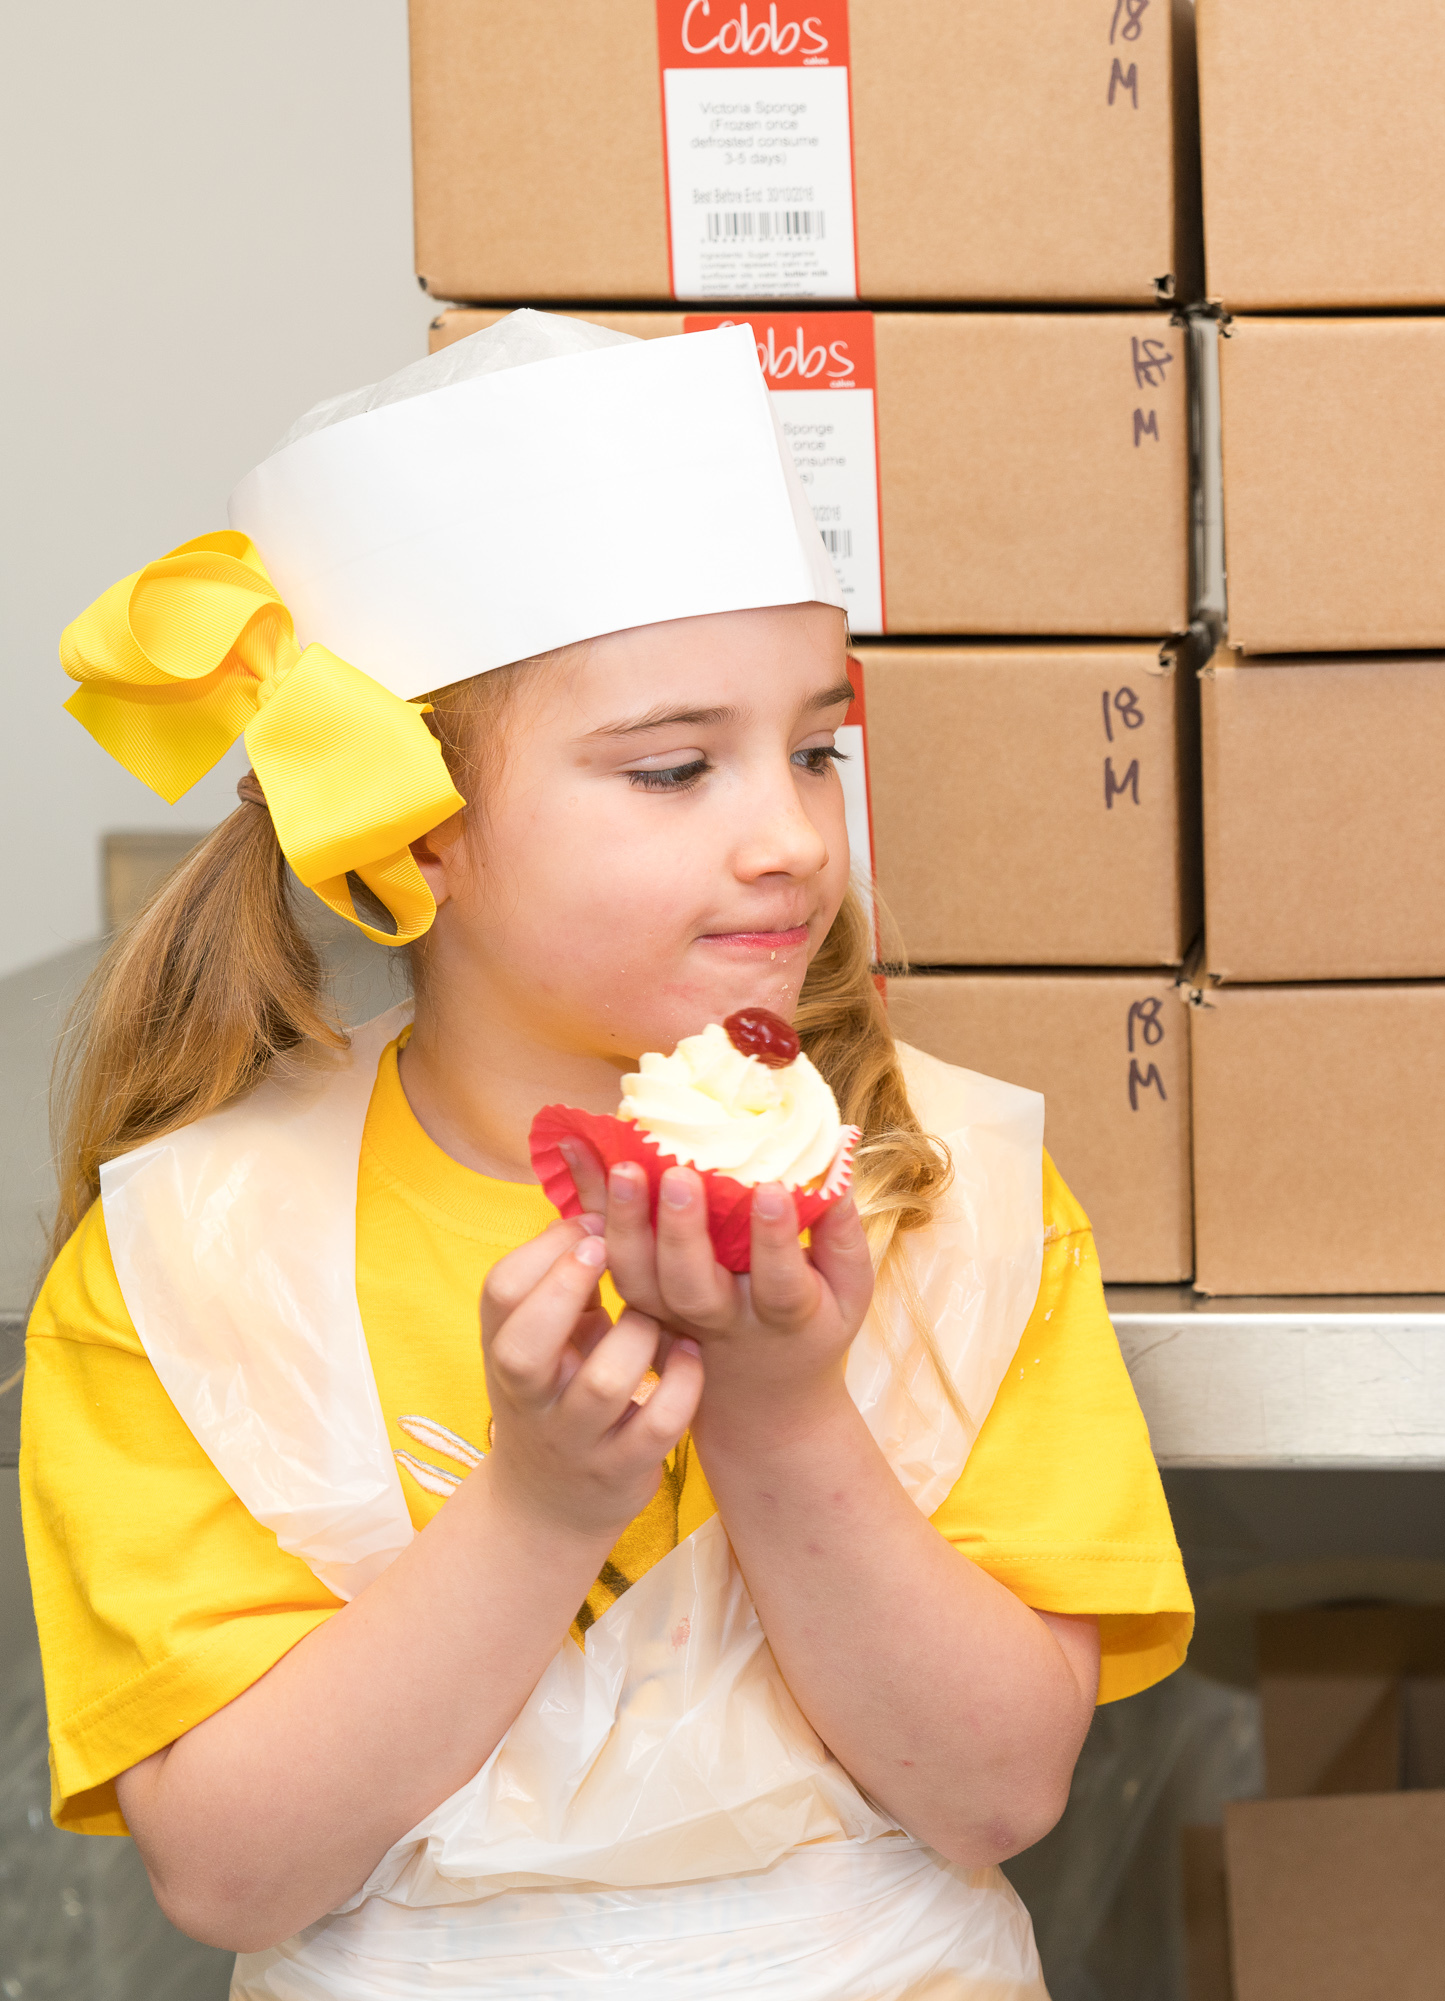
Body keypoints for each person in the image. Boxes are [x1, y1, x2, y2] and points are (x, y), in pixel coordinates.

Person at [22, 311, 1190, 1998]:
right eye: (671, 767)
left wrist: (787, 1412)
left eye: (815, 747)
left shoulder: (957, 1202)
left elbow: (997, 1787)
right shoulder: (192, 1260)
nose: (790, 835)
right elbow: (230, 1865)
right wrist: (541, 1500)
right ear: (419, 829)